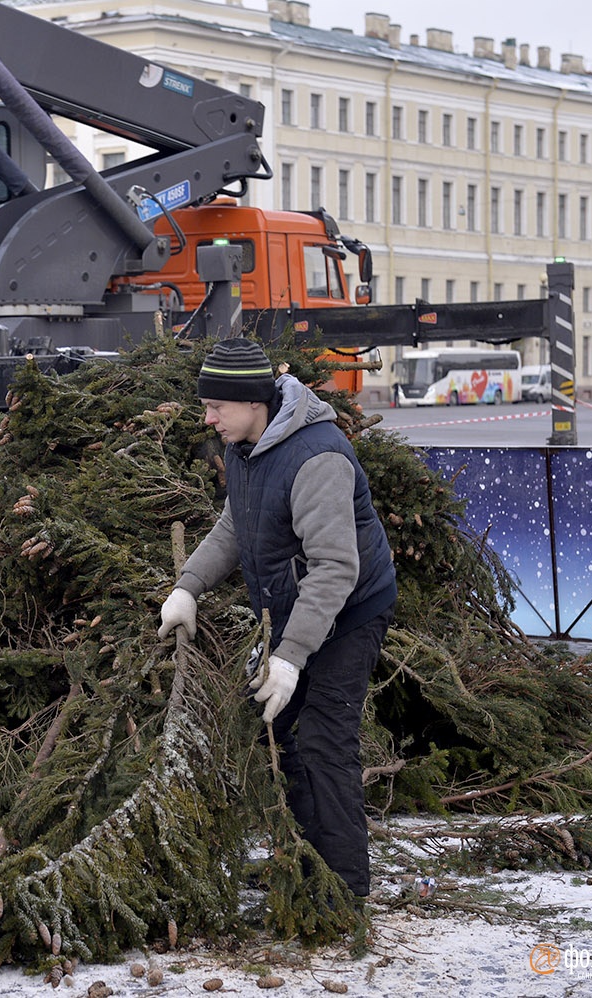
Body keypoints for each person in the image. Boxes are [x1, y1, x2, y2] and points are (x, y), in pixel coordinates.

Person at [157, 338, 397, 898]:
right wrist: (188, 587)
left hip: (350, 610)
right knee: (281, 731)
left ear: (253, 403)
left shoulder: (316, 458)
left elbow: (336, 568)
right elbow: (236, 527)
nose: (208, 417)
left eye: (217, 406)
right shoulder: (249, 446)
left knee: (323, 740)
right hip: (296, 609)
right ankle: (301, 863)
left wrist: (290, 658)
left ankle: (343, 890)